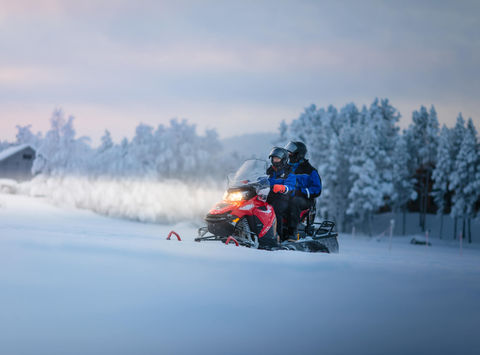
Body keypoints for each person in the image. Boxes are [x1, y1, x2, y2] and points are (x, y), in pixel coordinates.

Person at [284, 141, 322, 240]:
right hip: (287, 196)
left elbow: (317, 189)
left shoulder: (309, 170)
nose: (289, 155)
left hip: (305, 199)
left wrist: (302, 191)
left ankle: (292, 232)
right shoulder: (286, 168)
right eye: (288, 153)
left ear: (298, 154)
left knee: (295, 201)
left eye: (290, 153)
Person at [266, 147, 296, 241]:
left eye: (277, 158)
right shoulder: (270, 170)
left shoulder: (288, 170)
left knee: (275, 210)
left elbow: (291, 185)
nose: (275, 160)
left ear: (283, 159)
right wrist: (249, 181)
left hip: (283, 197)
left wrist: (283, 188)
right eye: (274, 158)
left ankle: (278, 236)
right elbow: (262, 179)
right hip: (269, 195)